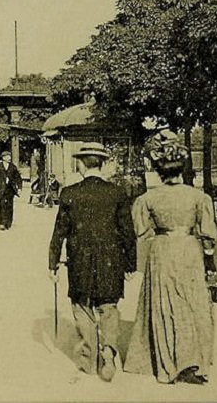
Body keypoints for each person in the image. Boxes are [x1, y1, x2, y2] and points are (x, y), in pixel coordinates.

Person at [124, 129, 217, 385]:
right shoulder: (200, 197)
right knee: (192, 304)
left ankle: (167, 363)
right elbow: (208, 238)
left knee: (165, 303)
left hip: (162, 249)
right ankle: (193, 360)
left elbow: (140, 231)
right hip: (189, 250)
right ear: (182, 168)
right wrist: (210, 265)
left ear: (159, 169)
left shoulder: (147, 198)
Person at [48, 142, 136, 381]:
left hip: (79, 259)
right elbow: (127, 230)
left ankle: (88, 360)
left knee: (82, 306)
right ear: (102, 163)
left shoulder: (69, 193)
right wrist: (130, 263)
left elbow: (59, 232)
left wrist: (53, 263)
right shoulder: (117, 192)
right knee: (108, 306)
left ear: (80, 163)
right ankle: (108, 353)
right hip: (111, 258)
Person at [0, 150, 21, 230]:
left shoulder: (13, 167)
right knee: (2, 205)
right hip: (1, 189)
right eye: (7, 156)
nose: (9, 158)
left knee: (10, 206)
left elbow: (18, 178)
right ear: (3, 158)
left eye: (9, 156)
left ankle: (8, 223)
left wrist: (19, 187)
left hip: (10, 189)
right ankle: (2, 223)